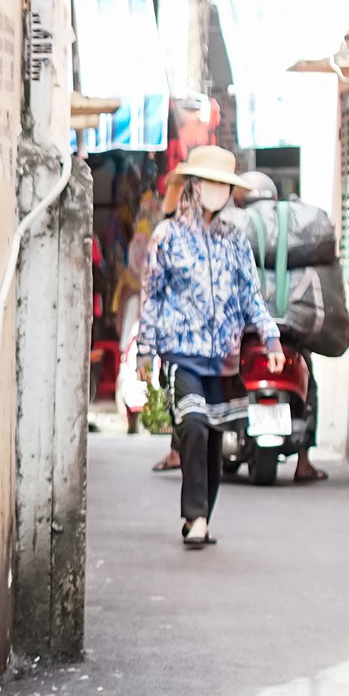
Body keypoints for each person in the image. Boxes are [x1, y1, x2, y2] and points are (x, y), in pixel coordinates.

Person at [135, 145, 283, 548]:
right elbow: (152, 295)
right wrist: (146, 349)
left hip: (223, 358)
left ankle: (202, 518)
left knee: (214, 434)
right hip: (182, 355)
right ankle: (195, 516)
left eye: (223, 185)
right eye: (209, 182)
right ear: (192, 185)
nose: (216, 191)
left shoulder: (234, 239)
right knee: (195, 425)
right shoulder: (167, 236)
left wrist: (270, 337)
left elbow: (251, 294)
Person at [232, 170, 326, 483]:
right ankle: (303, 461)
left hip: (247, 330)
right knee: (309, 381)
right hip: (287, 330)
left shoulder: (236, 224)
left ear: (241, 200)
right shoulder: (289, 227)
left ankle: (193, 445)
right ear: (273, 197)